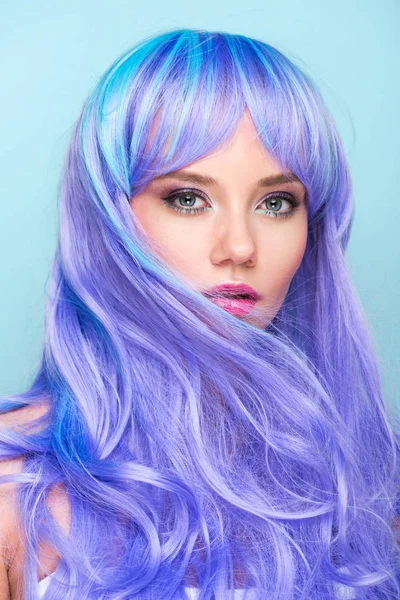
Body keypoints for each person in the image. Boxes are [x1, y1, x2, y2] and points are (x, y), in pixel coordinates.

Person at [0, 27, 399, 599]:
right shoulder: (16, 491)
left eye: (276, 203)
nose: (239, 246)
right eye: (187, 199)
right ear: (109, 220)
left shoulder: (364, 484)